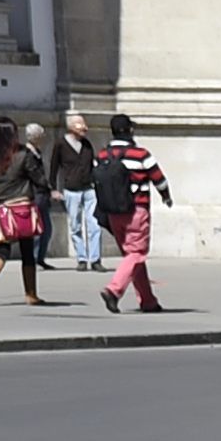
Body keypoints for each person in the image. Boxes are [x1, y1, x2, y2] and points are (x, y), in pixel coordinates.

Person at [99, 113, 170, 315]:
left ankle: (148, 301)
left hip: (113, 213)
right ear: (129, 130)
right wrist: (166, 196)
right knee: (137, 253)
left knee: (132, 256)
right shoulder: (141, 154)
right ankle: (113, 290)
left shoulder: (103, 155)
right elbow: (159, 179)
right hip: (136, 210)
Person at [0, 118, 51, 306]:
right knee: (27, 251)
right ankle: (30, 294)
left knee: (1, 250)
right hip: (22, 209)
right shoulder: (23, 154)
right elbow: (39, 179)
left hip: (0, 210)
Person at [53, 111, 104, 273]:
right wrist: (53, 188)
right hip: (72, 190)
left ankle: (95, 259)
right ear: (71, 127)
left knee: (94, 224)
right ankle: (82, 258)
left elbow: (93, 165)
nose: (85, 128)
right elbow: (54, 167)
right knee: (75, 225)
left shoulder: (87, 144)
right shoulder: (60, 144)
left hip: (89, 189)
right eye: (81, 125)